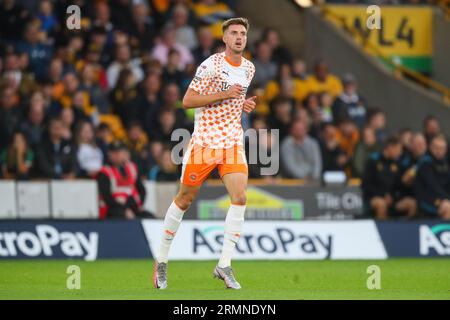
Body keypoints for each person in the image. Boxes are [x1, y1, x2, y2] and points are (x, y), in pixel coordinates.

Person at [153, 18, 256, 290]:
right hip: (205, 143)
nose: (238, 37)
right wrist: (224, 94)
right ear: (224, 38)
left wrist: (241, 103)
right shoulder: (210, 65)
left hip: (232, 143)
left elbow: (231, 98)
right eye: (233, 33)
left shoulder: (248, 68)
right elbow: (187, 101)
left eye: (242, 33)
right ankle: (161, 260)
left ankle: (224, 264)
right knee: (185, 199)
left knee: (241, 196)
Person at [362, 137, 416, 219]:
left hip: (392, 199)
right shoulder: (373, 161)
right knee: (381, 204)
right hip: (374, 198)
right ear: (390, 147)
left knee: (412, 203)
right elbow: (366, 185)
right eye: (399, 149)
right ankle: (383, 230)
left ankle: (406, 229)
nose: (400, 153)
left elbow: (398, 185)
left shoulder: (397, 164)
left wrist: (406, 182)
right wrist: (382, 195)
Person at [97, 141, 152, 219]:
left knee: (149, 216)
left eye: (121, 152)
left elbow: (142, 190)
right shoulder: (105, 172)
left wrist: (139, 205)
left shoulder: (132, 168)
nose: (119, 155)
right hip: (114, 211)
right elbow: (107, 197)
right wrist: (124, 210)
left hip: (133, 209)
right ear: (109, 154)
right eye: (115, 153)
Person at [414, 135, 450, 219]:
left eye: (442, 148)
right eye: (436, 148)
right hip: (427, 200)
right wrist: (447, 198)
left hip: (443, 197)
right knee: (447, 207)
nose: (439, 151)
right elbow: (433, 185)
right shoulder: (425, 162)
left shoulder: (445, 163)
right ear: (430, 147)